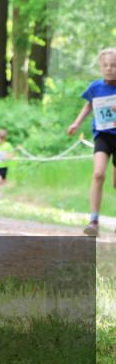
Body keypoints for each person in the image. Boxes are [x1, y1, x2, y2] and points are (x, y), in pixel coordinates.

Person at [66, 47, 116, 237]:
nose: (109, 68)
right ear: (101, 67)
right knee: (98, 174)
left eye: (113, 65)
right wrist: (76, 123)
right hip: (103, 135)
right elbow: (88, 105)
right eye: (106, 65)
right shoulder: (96, 87)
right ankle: (93, 221)